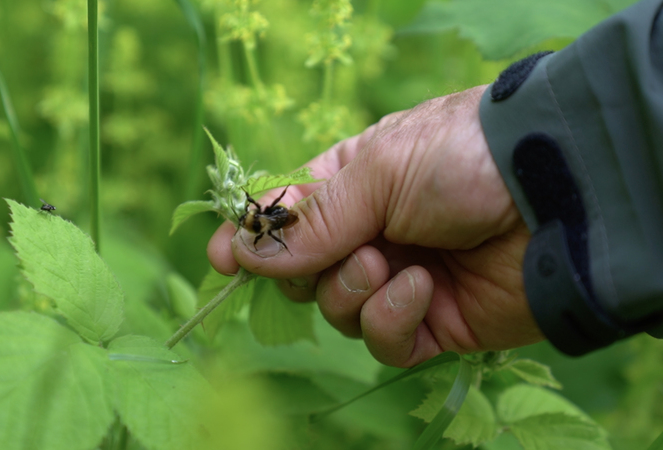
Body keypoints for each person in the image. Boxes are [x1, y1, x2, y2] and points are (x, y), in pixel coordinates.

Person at [208, 0, 663, 367]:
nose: (255, 215)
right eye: (254, 217)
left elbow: (281, 209)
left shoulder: (273, 219)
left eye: (254, 213)